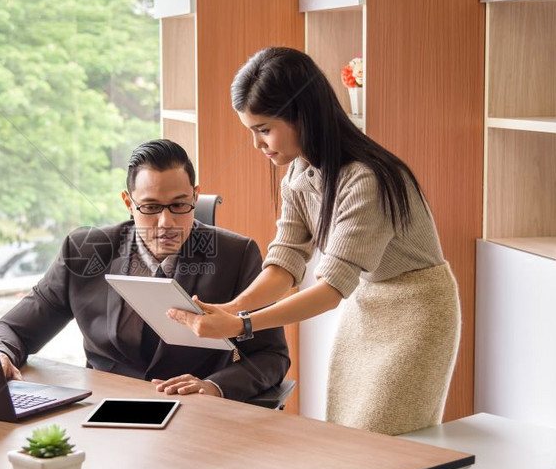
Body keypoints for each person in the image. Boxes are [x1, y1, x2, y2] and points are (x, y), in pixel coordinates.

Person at [168, 47, 461, 435]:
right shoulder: (298, 173)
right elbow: (286, 261)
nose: (258, 145)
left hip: (417, 309)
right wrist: (234, 309)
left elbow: (330, 290)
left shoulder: (366, 179)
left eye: (264, 129)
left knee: (385, 437)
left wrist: (242, 326)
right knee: (347, 431)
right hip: (366, 303)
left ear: (302, 114)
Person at [0, 139, 289, 402]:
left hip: (192, 413)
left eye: (179, 205)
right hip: (101, 407)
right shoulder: (84, 250)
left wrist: (213, 387)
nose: (166, 223)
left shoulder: (236, 256)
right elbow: (13, 329)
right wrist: (1, 353)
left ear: (195, 197)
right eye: (150, 207)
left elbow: (270, 355)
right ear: (128, 203)